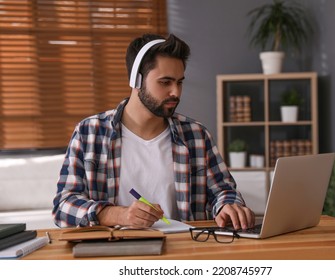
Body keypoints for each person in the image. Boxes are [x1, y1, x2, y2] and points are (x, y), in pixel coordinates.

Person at [53, 33, 255, 230]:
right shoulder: (89, 133)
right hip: (113, 253)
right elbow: (63, 207)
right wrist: (118, 215)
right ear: (136, 81)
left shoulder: (196, 135)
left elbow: (224, 191)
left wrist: (228, 206)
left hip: (185, 251)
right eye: (165, 82)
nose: (175, 92)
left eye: (180, 82)